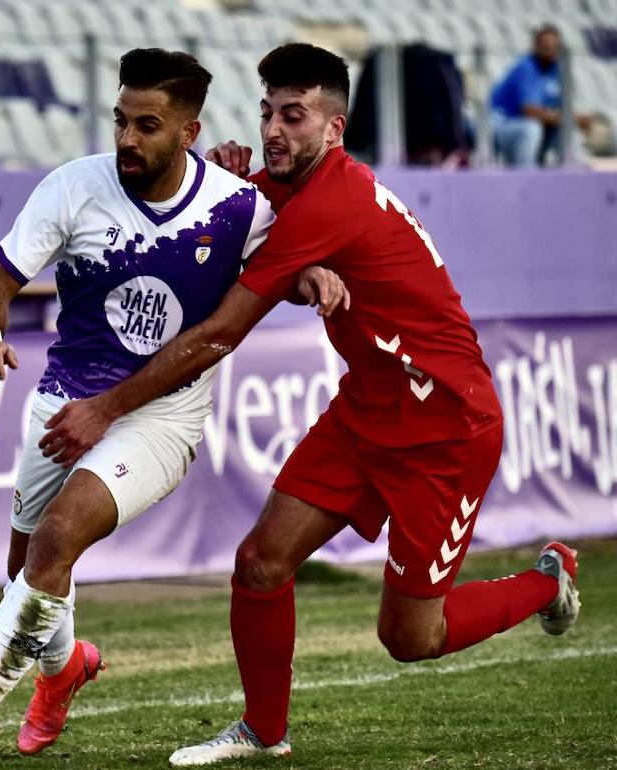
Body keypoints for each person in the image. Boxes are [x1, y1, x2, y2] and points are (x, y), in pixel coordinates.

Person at [39, 43, 581, 766]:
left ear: (335, 128)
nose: (273, 131)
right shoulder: (292, 183)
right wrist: (224, 186)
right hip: (367, 409)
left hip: (447, 427)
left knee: (410, 639)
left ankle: (545, 583)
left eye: (294, 115)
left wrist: (105, 409)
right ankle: (264, 732)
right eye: (267, 112)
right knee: (262, 562)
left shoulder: (333, 197)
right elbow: (229, 213)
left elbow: (224, 330)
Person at [0, 47, 349, 769]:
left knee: (55, 539)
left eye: (148, 125)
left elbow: (283, 268)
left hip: (160, 418)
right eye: (120, 121)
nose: (127, 140)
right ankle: (64, 667)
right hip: (63, 402)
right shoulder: (73, 188)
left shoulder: (237, 208)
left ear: (189, 132)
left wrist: (312, 274)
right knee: (26, 571)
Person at [491, 24, 596, 167]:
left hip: (536, 127)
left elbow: (559, 109)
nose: (549, 50)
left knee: (567, 130)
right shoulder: (526, 67)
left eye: (553, 46)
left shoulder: (557, 70)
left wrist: (572, 120)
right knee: (531, 129)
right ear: (535, 46)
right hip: (501, 128)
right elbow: (530, 112)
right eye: (545, 46)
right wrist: (573, 118)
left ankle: (572, 170)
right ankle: (525, 176)